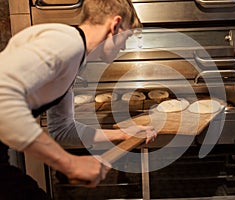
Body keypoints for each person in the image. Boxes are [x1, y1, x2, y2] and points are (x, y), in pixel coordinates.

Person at [0, 0, 157, 199]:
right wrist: (70, 163)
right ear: (115, 26)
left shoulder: (74, 59)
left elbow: (63, 130)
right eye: (126, 37)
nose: (125, 47)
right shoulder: (66, 43)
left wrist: (123, 134)